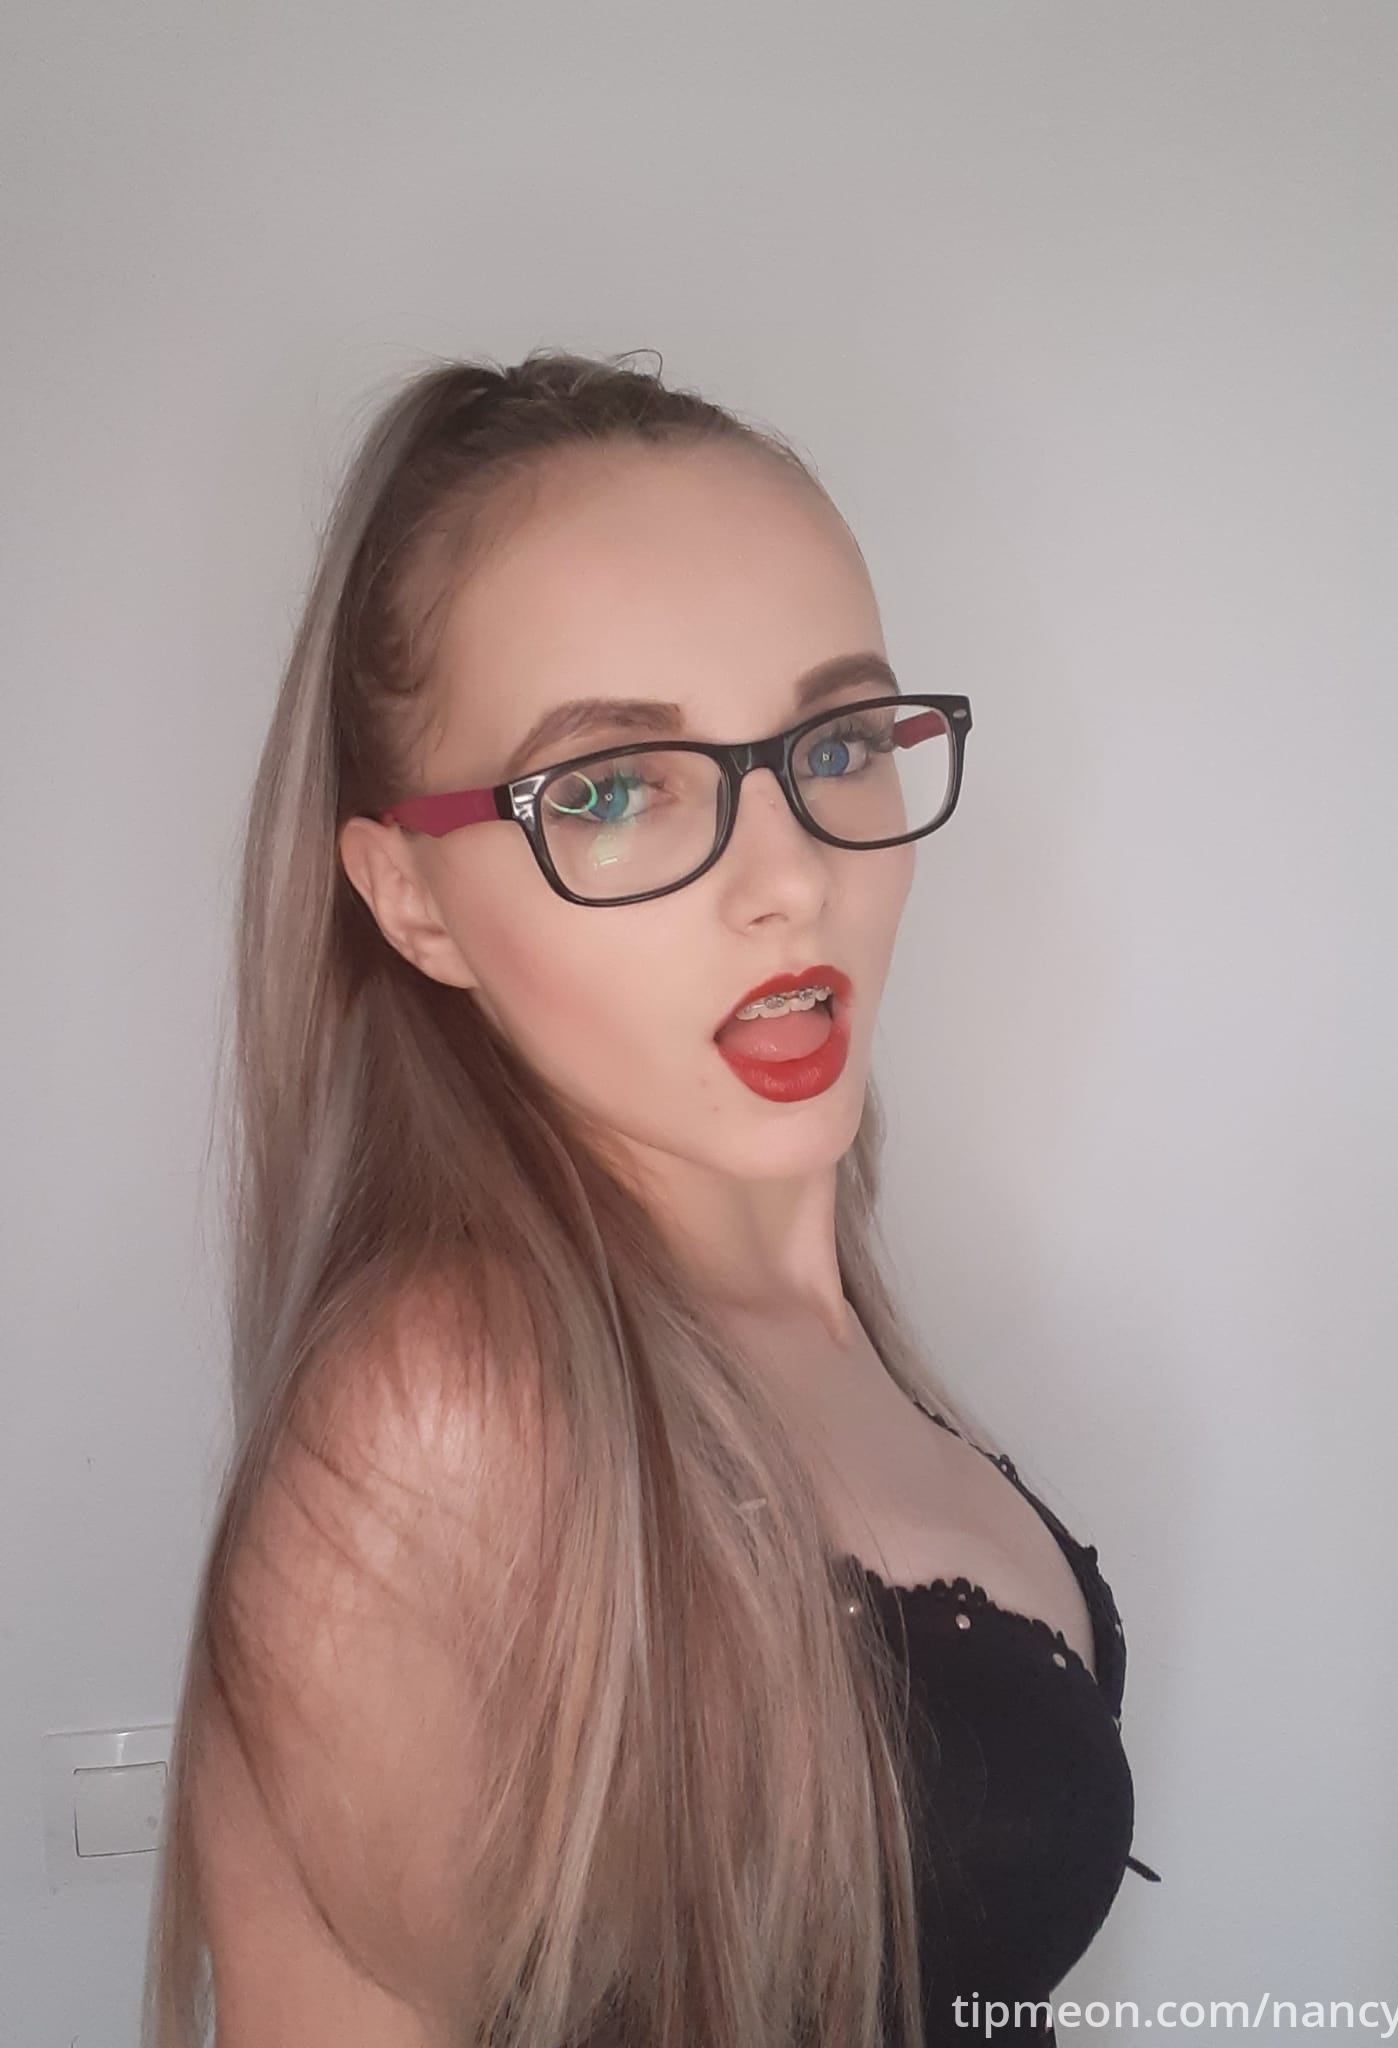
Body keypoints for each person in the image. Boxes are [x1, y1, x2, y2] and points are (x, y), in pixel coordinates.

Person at [141, 349, 1156, 2048]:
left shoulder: (816, 1310)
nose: (791, 878)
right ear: (413, 901)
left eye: (841, 740)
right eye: (612, 788)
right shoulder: (440, 1431)